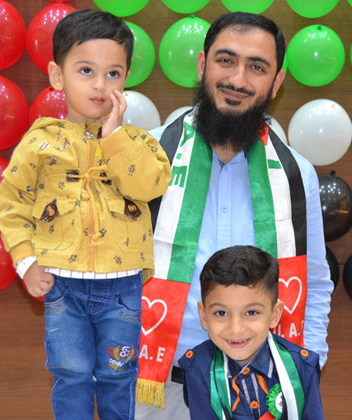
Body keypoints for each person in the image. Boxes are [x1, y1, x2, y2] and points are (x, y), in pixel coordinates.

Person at [135, 12, 332, 419]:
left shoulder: (297, 175)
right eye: (226, 60)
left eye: (257, 67)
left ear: (276, 82)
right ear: (202, 64)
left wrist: (305, 366)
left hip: (264, 390)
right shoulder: (145, 159)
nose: (238, 80)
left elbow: (313, 282)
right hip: (157, 388)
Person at [0, 9, 171, 420]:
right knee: (71, 374)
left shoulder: (137, 142)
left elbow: (152, 185)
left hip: (123, 286)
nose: (100, 85)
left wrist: (115, 140)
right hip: (63, 285)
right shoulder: (39, 143)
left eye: (113, 73)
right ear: (58, 76)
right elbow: (12, 204)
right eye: (86, 70)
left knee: (118, 374)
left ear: (126, 80)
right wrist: (25, 261)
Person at [180, 245, 325, 420]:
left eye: (251, 312)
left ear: (274, 315)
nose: (236, 329)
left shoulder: (301, 366)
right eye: (221, 313)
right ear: (204, 316)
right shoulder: (198, 369)